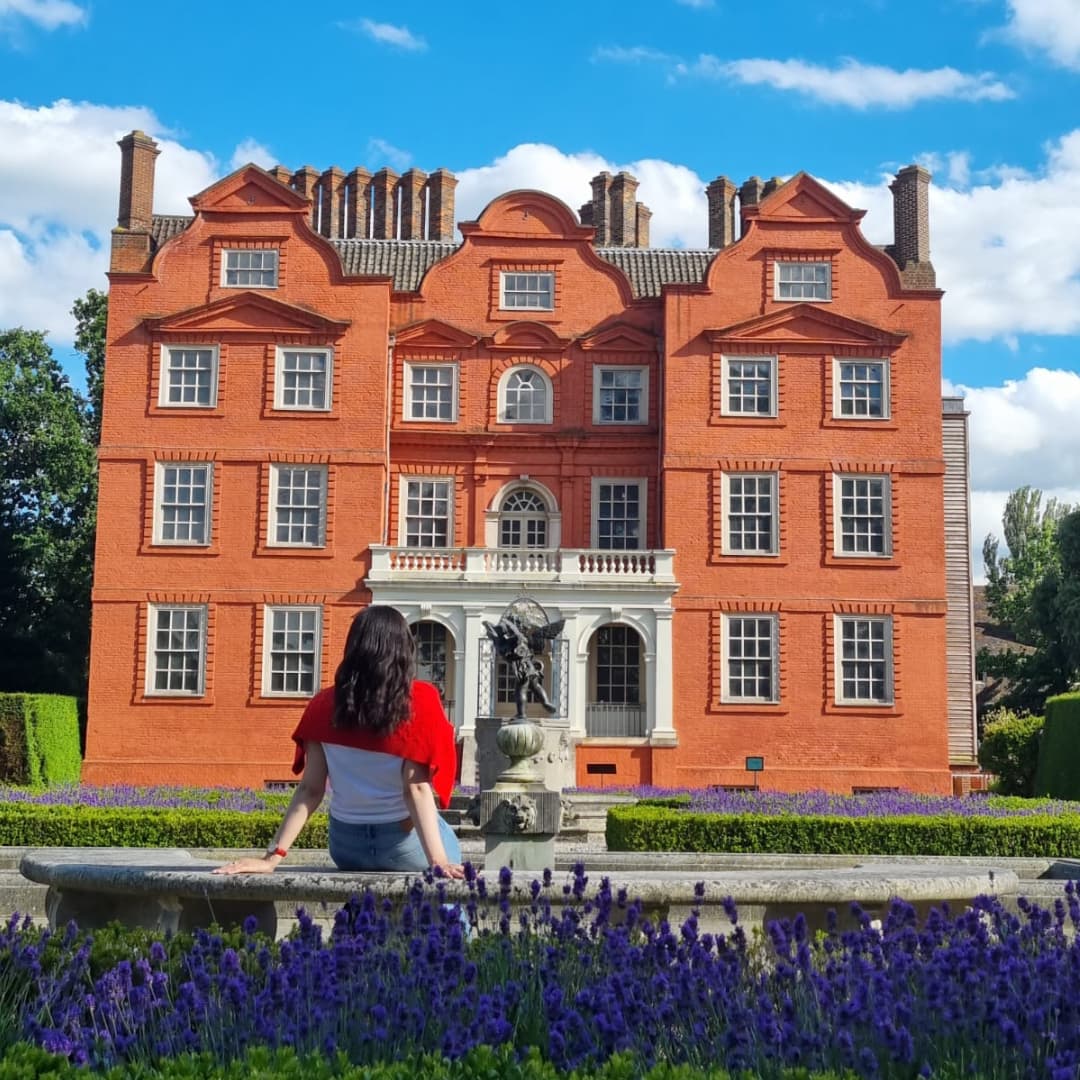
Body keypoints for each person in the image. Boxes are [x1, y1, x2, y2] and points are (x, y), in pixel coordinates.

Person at [215, 605, 465, 879]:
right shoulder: (420, 701)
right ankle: (457, 922)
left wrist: (271, 858)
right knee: (449, 861)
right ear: (403, 651)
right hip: (400, 845)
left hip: (346, 846)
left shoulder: (324, 705)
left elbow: (310, 790)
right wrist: (439, 861)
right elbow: (415, 789)